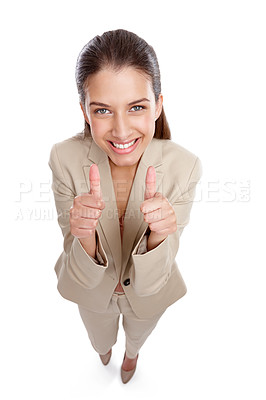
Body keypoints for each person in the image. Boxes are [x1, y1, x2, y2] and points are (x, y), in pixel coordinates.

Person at [48, 28, 202, 384]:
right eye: (103, 109)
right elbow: (80, 272)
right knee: (99, 337)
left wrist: (160, 236)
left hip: (149, 294)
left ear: (158, 105)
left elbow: (152, 283)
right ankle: (104, 351)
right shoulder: (64, 158)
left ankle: (131, 354)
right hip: (92, 292)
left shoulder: (184, 166)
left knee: (138, 335)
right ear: (85, 111)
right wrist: (83, 236)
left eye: (136, 107)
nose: (120, 130)